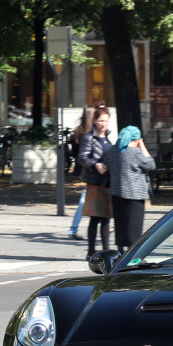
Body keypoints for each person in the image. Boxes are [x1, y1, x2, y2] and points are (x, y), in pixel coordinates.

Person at [103, 125, 155, 254]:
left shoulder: (112, 151)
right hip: (135, 195)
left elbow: (108, 165)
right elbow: (151, 164)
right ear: (136, 139)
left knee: (120, 225)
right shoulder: (135, 152)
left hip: (116, 193)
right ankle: (132, 256)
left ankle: (120, 253)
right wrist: (142, 145)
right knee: (134, 229)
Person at [79, 106, 114, 257]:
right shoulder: (89, 137)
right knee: (95, 217)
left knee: (106, 217)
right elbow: (82, 157)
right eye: (100, 120)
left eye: (106, 121)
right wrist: (95, 164)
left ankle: (106, 250)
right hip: (95, 182)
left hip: (107, 182)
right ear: (94, 120)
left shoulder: (108, 137)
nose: (103, 124)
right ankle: (91, 251)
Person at [67, 104, 99, 240]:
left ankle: (74, 229)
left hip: (83, 169)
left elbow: (75, 152)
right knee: (85, 199)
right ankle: (73, 229)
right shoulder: (92, 132)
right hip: (94, 169)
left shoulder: (78, 131)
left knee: (85, 199)